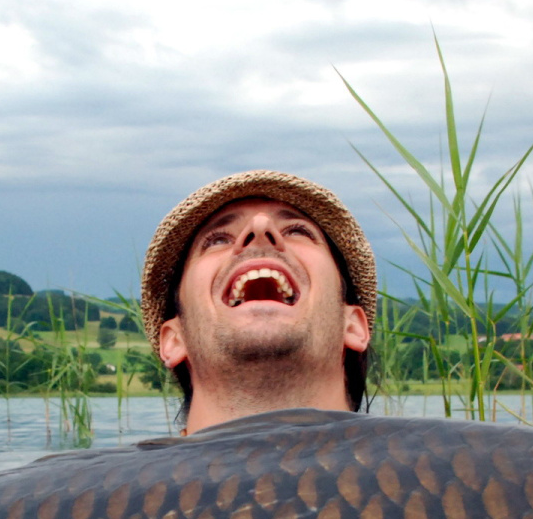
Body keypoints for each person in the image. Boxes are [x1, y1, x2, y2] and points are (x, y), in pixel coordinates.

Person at [141, 170, 379, 433]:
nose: (260, 227)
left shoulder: (419, 455)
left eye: (297, 231)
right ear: (173, 340)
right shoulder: (106, 465)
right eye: (218, 239)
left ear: (354, 326)